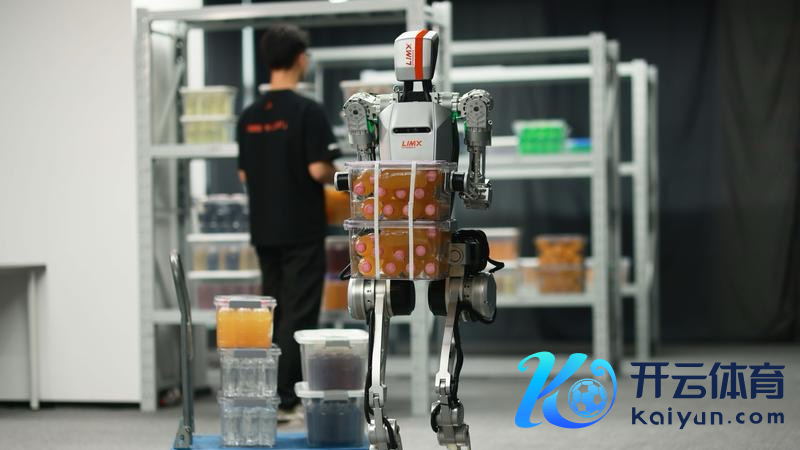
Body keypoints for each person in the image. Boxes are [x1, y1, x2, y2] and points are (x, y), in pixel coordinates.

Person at [236, 24, 339, 419]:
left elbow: (244, 174)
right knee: (299, 311)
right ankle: (286, 398)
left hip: (265, 228)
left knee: (273, 309)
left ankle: (270, 392)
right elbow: (318, 170)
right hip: (301, 227)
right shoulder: (307, 111)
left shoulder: (249, 116)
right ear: (300, 58)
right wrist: (342, 177)